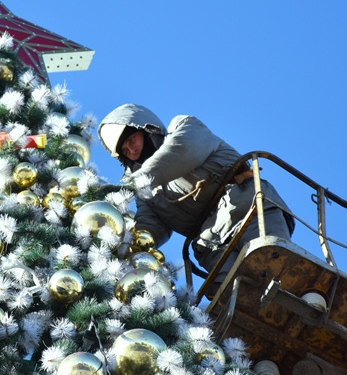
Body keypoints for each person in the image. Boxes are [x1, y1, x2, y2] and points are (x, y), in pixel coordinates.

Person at [98, 104, 294, 297]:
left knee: (278, 272)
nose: (131, 150)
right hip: (212, 246)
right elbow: (149, 229)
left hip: (247, 209)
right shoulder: (147, 194)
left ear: (147, 129)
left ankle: (312, 300)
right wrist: (118, 245)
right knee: (239, 300)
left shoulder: (183, 128)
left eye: (132, 140)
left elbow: (180, 151)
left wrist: (134, 183)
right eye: (125, 150)